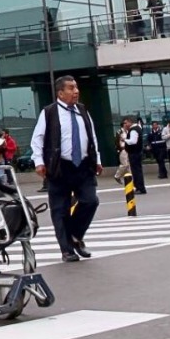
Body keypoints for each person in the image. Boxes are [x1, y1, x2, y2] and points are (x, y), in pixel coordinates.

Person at [31, 76, 101, 263]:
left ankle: (75, 235)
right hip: (60, 166)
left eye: (76, 87)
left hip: (83, 165)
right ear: (60, 93)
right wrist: (39, 161)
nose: (76, 91)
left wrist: (98, 159)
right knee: (60, 209)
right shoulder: (49, 112)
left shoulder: (83, 110)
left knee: (90, 201)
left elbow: (91, 136)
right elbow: (37, 139)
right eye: (71, 88)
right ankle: (67, 249)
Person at [121, 118, 148, 194]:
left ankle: (140, 187)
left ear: (130, 122)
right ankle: (138, 187)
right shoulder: (137, 128)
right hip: (135, 152)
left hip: (134, 153)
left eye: (126, 123)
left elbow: (133, 141)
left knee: (136, 171)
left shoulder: (134, 130)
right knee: (136, 170)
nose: (125, 125)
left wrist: (125, 140)